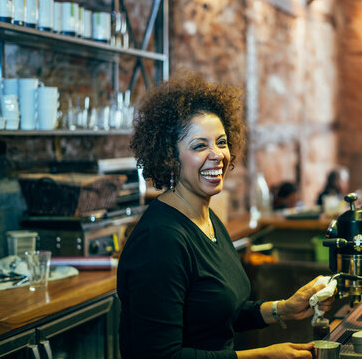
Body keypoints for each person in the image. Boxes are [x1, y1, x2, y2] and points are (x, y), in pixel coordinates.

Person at [117, 73, 335, 358]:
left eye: (221, 142)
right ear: (169, 157)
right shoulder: (160, 241)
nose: (217, 154)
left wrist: (283, 308)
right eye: (199, 146)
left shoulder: (207, 219)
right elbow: (160, 356)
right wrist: (263, 356)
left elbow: (216, 312)